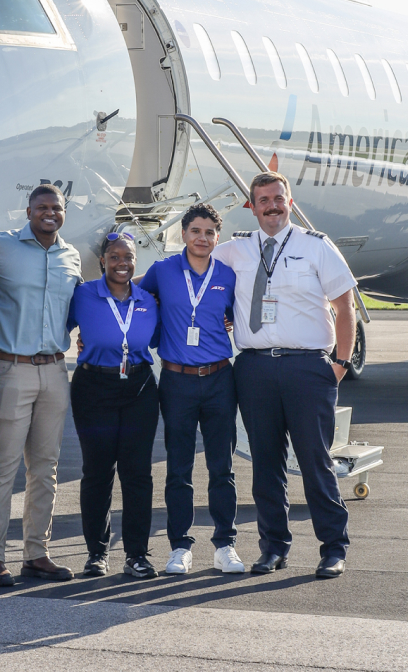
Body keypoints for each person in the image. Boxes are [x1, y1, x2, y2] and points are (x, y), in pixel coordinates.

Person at [212, 171, 357, 579]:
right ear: (252, 206)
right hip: (255, 367)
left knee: (315, 461)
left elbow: (346, 308)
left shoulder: (316, 246)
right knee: (265, 465)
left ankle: (333, 548)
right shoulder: (235, 250)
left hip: (307, 367)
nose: (272, 206)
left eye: (278, 198)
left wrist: (340, 365)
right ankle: (274, 547)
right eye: (263, 200)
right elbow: (191, 268)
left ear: (289, 202)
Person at [0, 184, 81, 586]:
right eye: (42, 207)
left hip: (54, 370)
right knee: (1, 467)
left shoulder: (70, 257)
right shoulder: (0, 247)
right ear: (29, 210)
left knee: (45, 468)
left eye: (56, 207)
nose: (49, 213)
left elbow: (74, 308)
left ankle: (37, 554)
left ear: (64, 212)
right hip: (8, 368)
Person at [138, 203, 243, 576]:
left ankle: (225, 545)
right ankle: (180, 546)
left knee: (222, 467)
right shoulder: (163, 271)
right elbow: (130, 297)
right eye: (195, 231)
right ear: (183, 234)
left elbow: (240, 314)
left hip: (219, 379)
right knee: (178, 468)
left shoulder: (228, 275)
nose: (202, 238)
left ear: (218, 237)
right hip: (177, 380)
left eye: (209, 233)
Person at [67, 232, 160, 579]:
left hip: (138, 388)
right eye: (115, 257)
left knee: (137, 474)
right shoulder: (83, 295)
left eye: (129, 257)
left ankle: (137, 554)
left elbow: (168, 333)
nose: (123, 263)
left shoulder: (149, 300)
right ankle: (96, 553)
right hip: (93, 388)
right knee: (97, 472)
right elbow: (55, 324)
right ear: (103, 260)